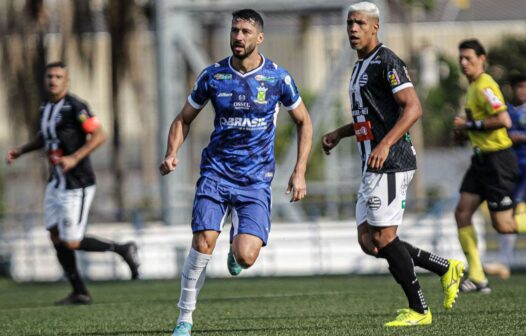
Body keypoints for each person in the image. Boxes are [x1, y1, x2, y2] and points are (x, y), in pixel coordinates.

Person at [159, 9, 312, 336]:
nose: (238, 37)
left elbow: (304, 121)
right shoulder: (213, 76)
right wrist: (172, 153)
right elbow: (183, 118)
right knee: (202, 242)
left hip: (256, 181)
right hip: (216, 174)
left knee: (246, 257)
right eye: (234, 31)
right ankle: (184, 318)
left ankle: (236, 249)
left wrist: (299, 172)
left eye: (245, 32)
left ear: (259, 38)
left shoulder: (276, 78)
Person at [322, 2, 464, 327]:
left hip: (392, 161)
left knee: (384, 237)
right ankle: (446, 268)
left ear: (375, 27)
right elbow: (372, 118)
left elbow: (413, 108)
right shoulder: (360, 66)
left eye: (359, 23)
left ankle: (419, 310)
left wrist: (385, 144)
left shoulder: (387, 61)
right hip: (371, 163)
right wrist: (340, 134)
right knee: (369, 241)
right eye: (349, 23)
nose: (353, 29)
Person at [6, 61, 140, 305]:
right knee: (55, 234)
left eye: (58, 76)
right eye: (50, 77)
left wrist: (74, 157)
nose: (53, 81)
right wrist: (21, 150)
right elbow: (44, 137)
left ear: (66, 81)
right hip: (55, 182)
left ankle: (123, 249)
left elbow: (99, 134)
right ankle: (79, 291)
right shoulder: (46, 106)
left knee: (72, 241)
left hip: (76, 183)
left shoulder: (76, 107)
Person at [453, 40, 526, 293]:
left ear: (481, 59)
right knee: (462, 212)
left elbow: (504, 119)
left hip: (498, 161)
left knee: (503, 225)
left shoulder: (485, 85)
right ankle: (477, 276)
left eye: (468, 58)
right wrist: (462, 134)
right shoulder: (472, 88)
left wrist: (469, 126)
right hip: (480, 160)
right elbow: (476, 125)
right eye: (461, 58)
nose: (463, 63)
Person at [485, 74, 526, 278]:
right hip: (512, 169)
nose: (521, 91)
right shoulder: (506, 110)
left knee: (510, 216)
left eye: (524, 87)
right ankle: (505, 261)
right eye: (517, 87)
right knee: (507, 214)